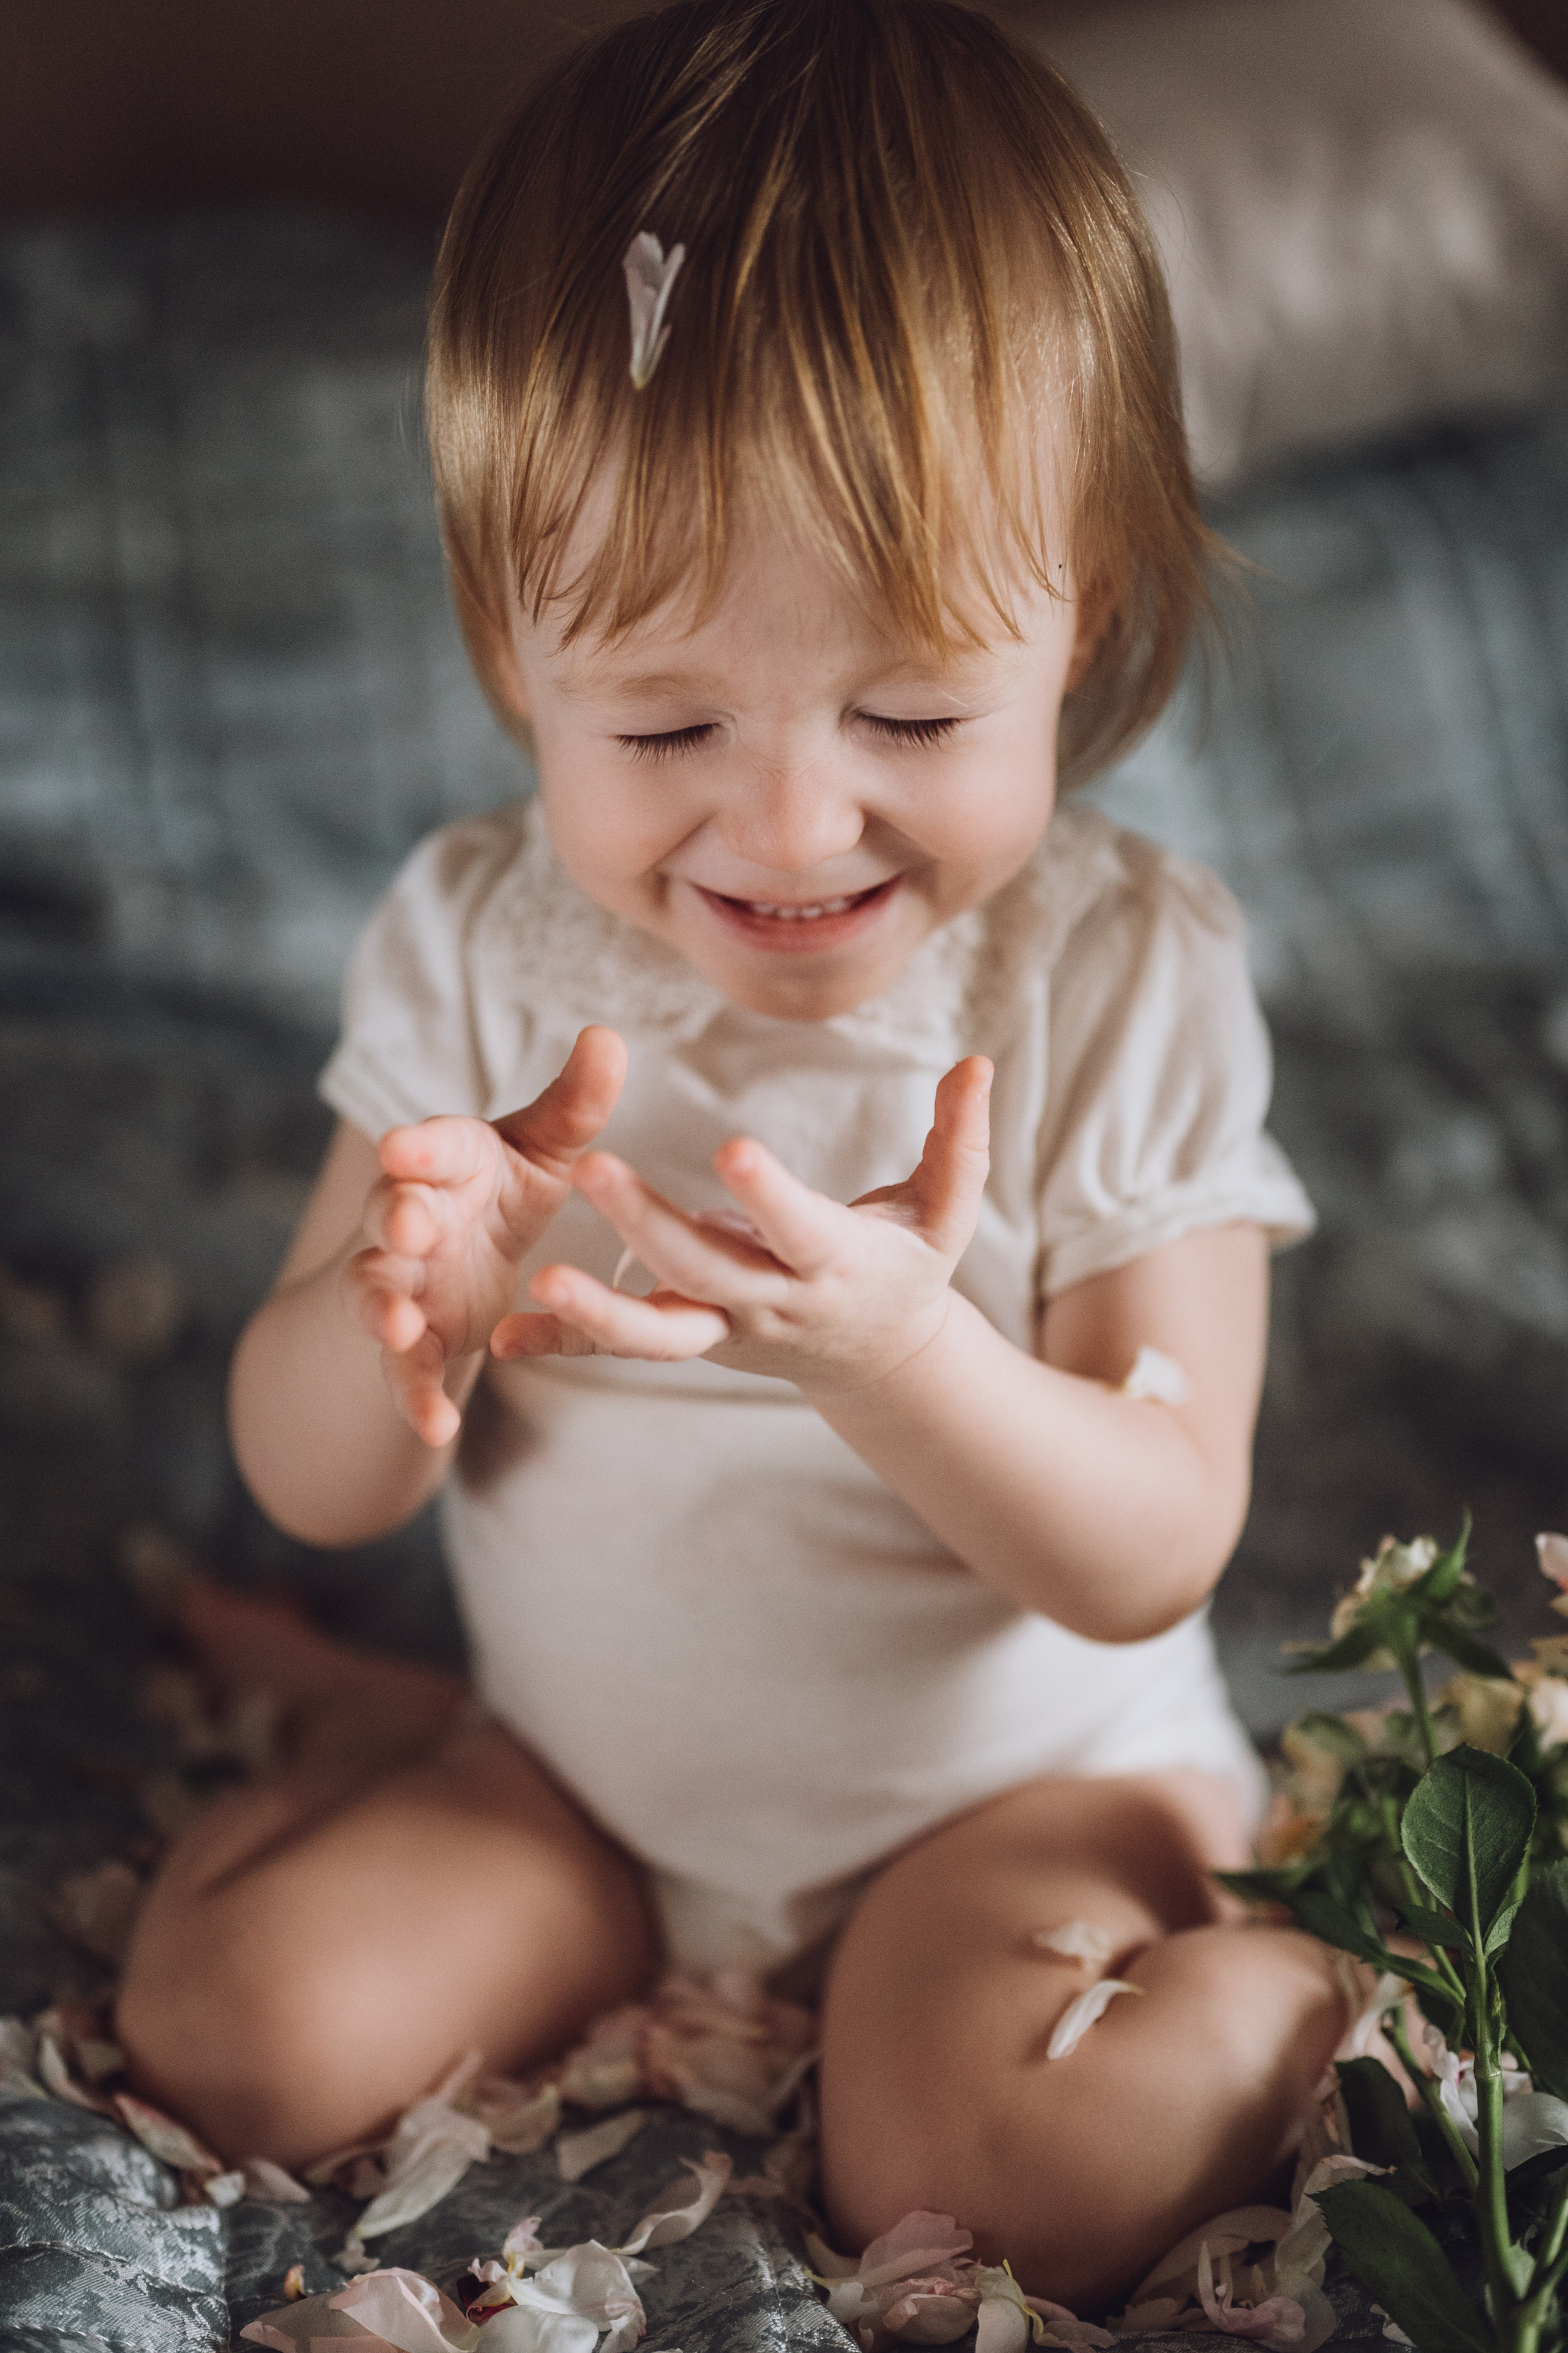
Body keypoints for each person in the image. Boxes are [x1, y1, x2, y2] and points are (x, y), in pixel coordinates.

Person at [115, 0, 1352, 2307]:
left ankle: (1309, 1952)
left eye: (912, 709)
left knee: (1013, 2170)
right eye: (667, 721)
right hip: (584, 1789)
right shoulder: (476, 948)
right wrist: (403, 1316)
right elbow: (315, 1478)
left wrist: (901, 1358)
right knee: (239, 2032)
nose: (791, 824)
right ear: (515, 649)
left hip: (1018, 1794)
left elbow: (1155, 1546)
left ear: (1078, 617)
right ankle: (402, 1738)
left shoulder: (1118, 971)